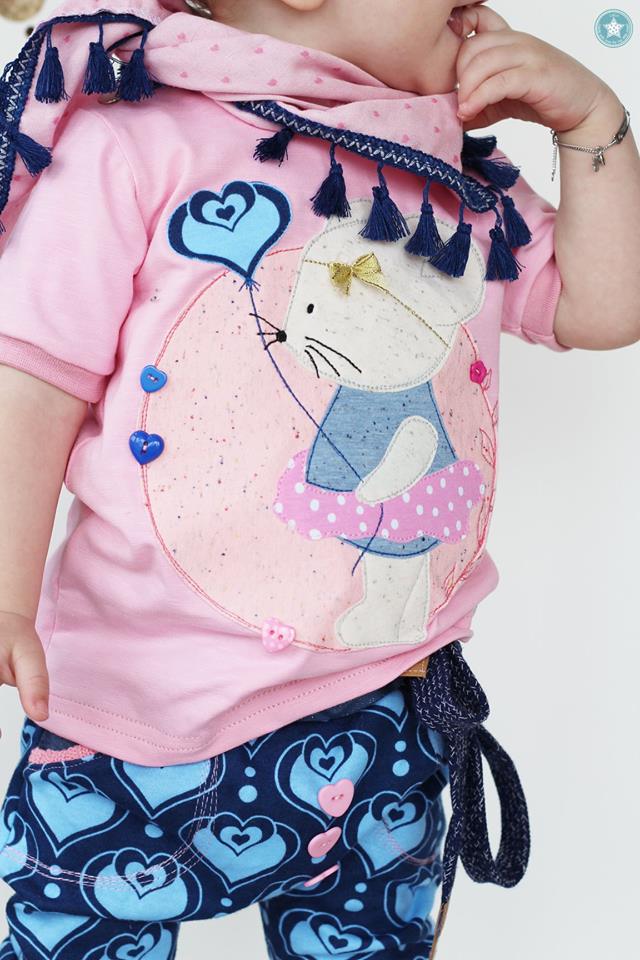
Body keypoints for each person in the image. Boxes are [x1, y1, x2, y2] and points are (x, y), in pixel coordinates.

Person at [0, 1, 637, 957]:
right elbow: (31, 378)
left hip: (388, 708)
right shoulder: (133, 143)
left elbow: (601, 305)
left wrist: (595, 126)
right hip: (134, 722)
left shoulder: (447, 174)